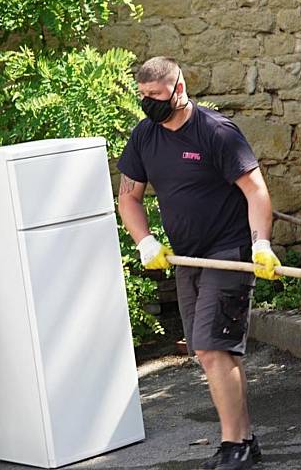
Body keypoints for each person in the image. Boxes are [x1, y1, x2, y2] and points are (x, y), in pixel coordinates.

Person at [117, 57, 280, 470]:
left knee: (211, 347)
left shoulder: (215, 132)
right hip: (185, 257)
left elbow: (256, 191)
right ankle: (244, 442)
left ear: (179, 88)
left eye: (155, 95)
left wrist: (261, 244)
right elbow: (128, 197)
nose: (148, 103)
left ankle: (233, 447)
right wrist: (145, 240)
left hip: (227, 252)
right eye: (143, 96)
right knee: (215, 352)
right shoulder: (144, 137)